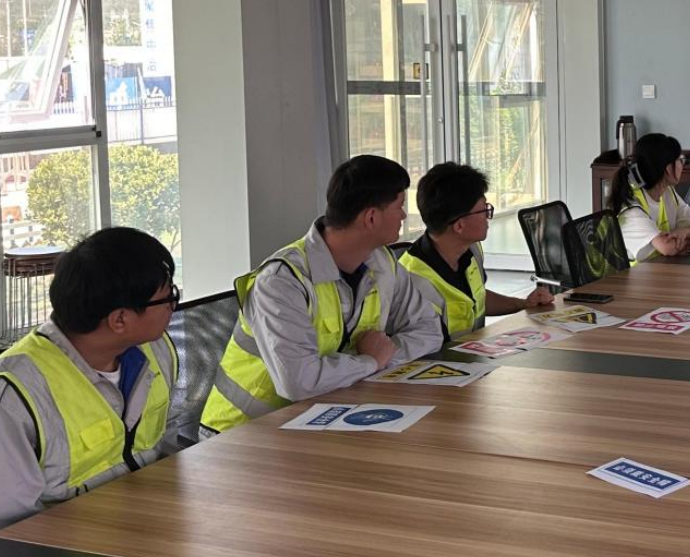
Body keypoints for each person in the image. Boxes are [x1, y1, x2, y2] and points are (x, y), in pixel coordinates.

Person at [200, 155, 443, 436]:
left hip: (325, 416)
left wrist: (383, 356)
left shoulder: (381, 262)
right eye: (399, 206)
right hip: (245, 433)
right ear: (371, 217)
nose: (404, 216)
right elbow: (299, 382)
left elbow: (429, 330)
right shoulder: (282, 281)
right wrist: (370, 362)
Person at [0, 227, 181, 528]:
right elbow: (13, 528)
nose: (172, 307)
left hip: (152, 522)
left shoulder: (156, 351)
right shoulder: (16, 395)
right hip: (67, 548)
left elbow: (167, 451)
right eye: (168, 298)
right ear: (119, 319)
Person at [401, 162, 553, 341]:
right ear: (459, 225)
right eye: (483, 210)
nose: (487, 217)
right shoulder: (412, 279)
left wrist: (523, 304)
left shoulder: (471, 249)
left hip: (475, 352)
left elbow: (477, 299)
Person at [610, 133, 690, 263]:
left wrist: (684, 233)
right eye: (680, 160)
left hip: (658, 270)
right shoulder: (631, 207)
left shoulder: (667, 193)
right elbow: (668, 248)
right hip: (627, 276)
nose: (683, 165)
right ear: (669, 169)